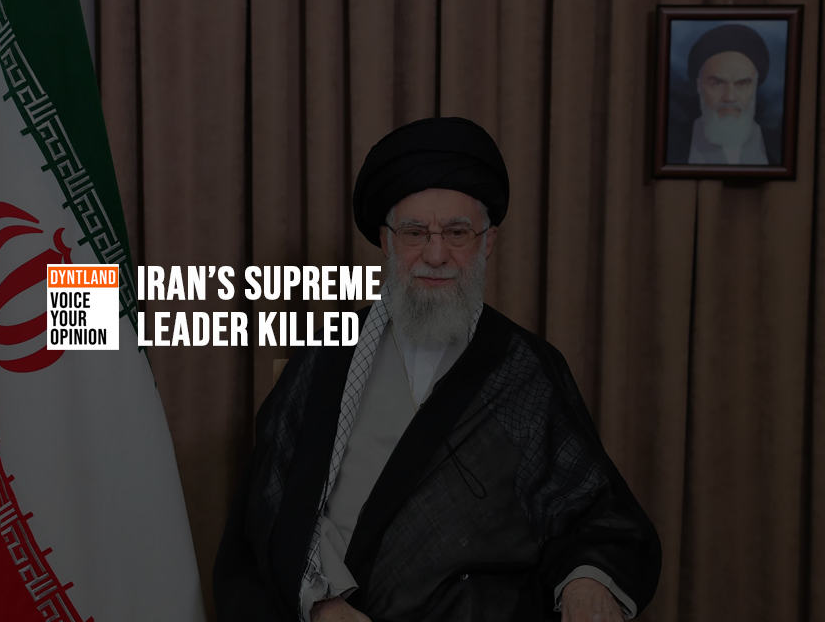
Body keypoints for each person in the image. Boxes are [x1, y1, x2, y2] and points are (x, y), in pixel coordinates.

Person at [213, 117, 661, 622]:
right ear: (386, 242)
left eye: (457, 232)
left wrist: (586, 583)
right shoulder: (328, 356)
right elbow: (273, 503)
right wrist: (324, 605)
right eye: (414, 233)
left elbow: (594, 512)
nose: (435, 254)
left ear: (488, 241)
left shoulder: (524, 368)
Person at [667, 23, 781, 165]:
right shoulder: (670, 143)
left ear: (755, 86)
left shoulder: (779, 145)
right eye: (717, 84)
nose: (729, 97)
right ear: (699, 86)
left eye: (742, 84)